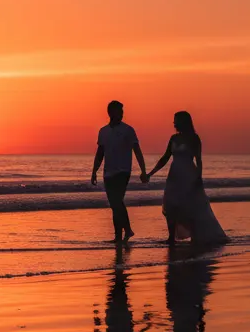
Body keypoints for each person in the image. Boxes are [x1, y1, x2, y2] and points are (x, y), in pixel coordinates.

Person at [148, 111, 228, 246]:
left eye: (176, 120)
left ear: (184, 122)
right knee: (170, 204)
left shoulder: (194, 138)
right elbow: (165, 158)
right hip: (174, 176)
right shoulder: (173, 138)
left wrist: (198, 178)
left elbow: (199, 160)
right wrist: (150, 173)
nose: (174, 123)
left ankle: (195, 236)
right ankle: (171, 237)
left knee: (190, 206)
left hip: (188, 175)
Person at [91, 101, 149, 242]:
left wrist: (143, 170)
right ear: (110, 112)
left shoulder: (128, 130)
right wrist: (94, 171)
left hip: (123, 171)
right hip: (108, 172)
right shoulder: (103, 131)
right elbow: (100, 153)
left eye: (122, 111)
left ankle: (127, 230)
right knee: (114, 204)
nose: (122, 114)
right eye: (119, 111)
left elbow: (137, 150)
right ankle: (119, 236)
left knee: (116, 201)